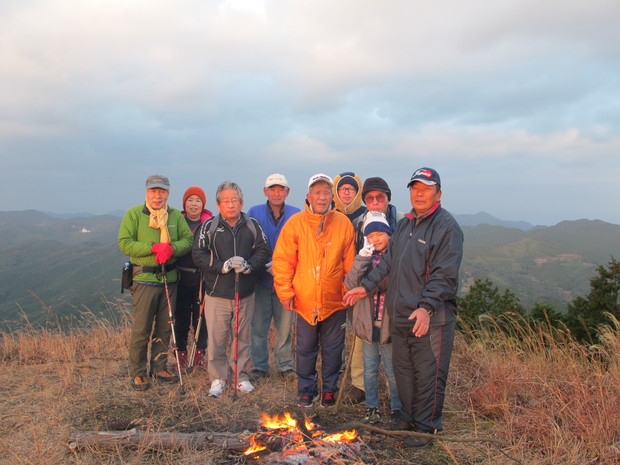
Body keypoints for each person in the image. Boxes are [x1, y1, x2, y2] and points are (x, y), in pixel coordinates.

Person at [344, 167, 463, 449]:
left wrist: (426, 307)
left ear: (439, 194)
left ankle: (426, 428)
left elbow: (444, 275)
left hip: (429, 318)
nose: (419, 193)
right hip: (399, 316)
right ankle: (408, 417)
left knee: (429, 373)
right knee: (404, 371)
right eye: (415, 188)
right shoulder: (407, 224)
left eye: (426, 188)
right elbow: (388, 263)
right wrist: (366, 286)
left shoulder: (446, 227)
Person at [273, 173, 355, 408]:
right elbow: (283, 261)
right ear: (308, 196)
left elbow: (350, 263)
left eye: (326, 192)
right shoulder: (296, 224)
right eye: (317, 192)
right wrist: (285, 292)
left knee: (333, 349)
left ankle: (329, 389)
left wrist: (348, 290)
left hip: (335, 301)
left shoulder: (343, 223)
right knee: (305, 348)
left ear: (333, 197)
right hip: (305, 299)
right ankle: (306, 389)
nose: (322, 197)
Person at [192, 181, 270, 398]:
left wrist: (249, 265)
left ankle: (241, 376)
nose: (231, 205)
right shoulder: (209, 227)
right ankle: (218, 377)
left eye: (234, 200)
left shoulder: (252, 225)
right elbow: (198, 253)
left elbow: (264, 250)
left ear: (241, 202)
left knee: (242, 337)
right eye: (226, 201)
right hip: (217, 293)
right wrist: (221, 266)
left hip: (245, 293)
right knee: (216, 338)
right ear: (218, 204)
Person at [118, 174, 194, 391]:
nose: (158, 195)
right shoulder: (134, 214)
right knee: (141, 329)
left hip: (169, 279)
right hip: (144, 279)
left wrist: (171, 248)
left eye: (162, 191)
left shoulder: (174, 216)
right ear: (146, 192)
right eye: (153, 191)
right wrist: (153, 247)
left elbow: (187, 240)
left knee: (164, 328)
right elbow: (125, 243)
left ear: (168, 193)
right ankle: (138, 373)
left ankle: (159, 366)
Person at [344, 211, 403, 425]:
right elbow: (351, 284)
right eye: (370, 236)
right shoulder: (365, 257)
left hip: (389, 323)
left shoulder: (397, 256)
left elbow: (387, 282)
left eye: (379, 234)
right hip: (367, 322)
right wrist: (362, 258)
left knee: (391, 369)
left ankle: (397, 409)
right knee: (369, 368)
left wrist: (367, 285)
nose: (375, 239)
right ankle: (371, 408)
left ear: (389, 234)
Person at [247, 174, 300, 380]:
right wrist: (262, 264)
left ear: (287, 192)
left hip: (286, 281)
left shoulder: (296, 214)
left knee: (285, 326)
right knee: (258, 326)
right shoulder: (254, 213)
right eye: (272, 189)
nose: (276, 193)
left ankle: (285, 365)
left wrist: (282, 267)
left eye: (281, 189)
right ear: (265, 191)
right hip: (260, 279)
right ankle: (259, 366)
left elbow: (300, 246)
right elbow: (249, 242)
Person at [174, 186, 213, 370]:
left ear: (203, 204)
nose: (194, 204)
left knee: (201, 319)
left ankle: (199, 356)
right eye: (190, 200)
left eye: (198, 200)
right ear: (184, 204)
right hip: (181, 278)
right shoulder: (176, 222)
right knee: (181, 318)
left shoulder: (210, 224)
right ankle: (180, 355)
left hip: (202, 279)